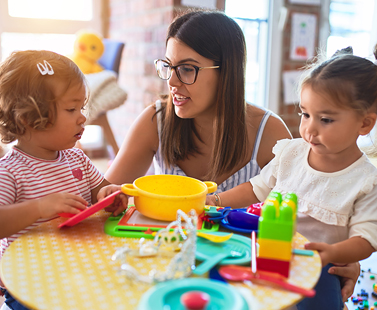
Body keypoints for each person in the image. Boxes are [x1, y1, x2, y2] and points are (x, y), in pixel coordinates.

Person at [100, 9, 360, 305]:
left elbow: (312, 207)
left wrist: (346, 252)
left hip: (240, 271)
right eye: (168, 67)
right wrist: (108, 196)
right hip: (170, 262)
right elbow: (106, 196)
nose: (172, 82)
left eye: (186, 69)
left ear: (226, 72)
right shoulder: (156, 120)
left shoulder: (268, 131)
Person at [207, 47, 377, 309]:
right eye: (305, 114)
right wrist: (214, 200)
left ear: (364, 124)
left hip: (320, 269)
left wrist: (333, 253)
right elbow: (256, 188)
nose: (310, 128)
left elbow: (366, 239)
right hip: (267, 253)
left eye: (326, 119)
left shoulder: (366, 180)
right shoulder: (291, 152)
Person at [0, 50, 127, 310]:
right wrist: (39, 207)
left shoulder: (77, 159)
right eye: (71, 109)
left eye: (81, 107)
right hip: (29, 281)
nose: (82, 116)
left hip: (79, 269)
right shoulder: (9, 171)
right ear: (28, 119)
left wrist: (109, 195)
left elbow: (99, 192)